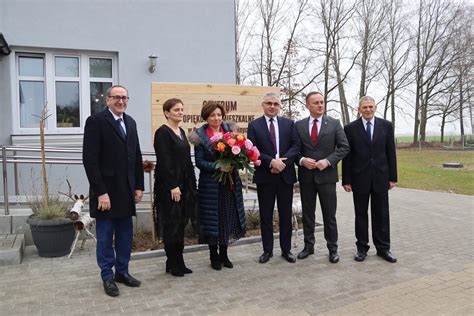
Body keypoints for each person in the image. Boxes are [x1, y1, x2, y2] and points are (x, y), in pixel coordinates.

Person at [83, 85, 144, 297]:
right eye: (116, 97)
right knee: (106, 237)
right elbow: (90, 160)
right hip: (106, 194)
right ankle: (107, 277)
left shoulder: (131, 122)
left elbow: (136, 157)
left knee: (125, 237)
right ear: (107, 100)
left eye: (125, 98)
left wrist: (139, 186)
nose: (121, 101)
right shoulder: (96, 122)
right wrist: (100, 192)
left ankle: (123, 272)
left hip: (126, 192)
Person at [189, 102, 246, 271]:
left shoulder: (230, 132)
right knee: (213, 221)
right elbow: (199, 162)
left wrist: (236, 162)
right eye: (213, 115)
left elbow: (239, 154)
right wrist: (218, 166)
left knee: (226, 218)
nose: (216, 118)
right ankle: (213, 255)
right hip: (211, 186)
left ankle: (224, 254)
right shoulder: (200, 136)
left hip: (229, 185)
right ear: (206, 117)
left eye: (219, 115)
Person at [342, 96, 398, 263]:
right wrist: (346, 179)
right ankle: (362, 248)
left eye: (370, 107)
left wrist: (393, 177)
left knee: (381, 214)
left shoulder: (386, 126)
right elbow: (348, 156)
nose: (368, 110)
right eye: (364, 107)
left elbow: (390, 152)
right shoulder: (350, 128)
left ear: (375, 107)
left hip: (381, 177)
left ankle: (383, 248)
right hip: (359, 178)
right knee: (361, 215)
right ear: (359, 109)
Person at [295, 92, 349, 263]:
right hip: (306, 178)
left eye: (322, 102)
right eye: (316, 103)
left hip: (326, 177)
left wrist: (328, 161)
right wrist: (302, 160)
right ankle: (308, 246)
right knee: (308, 215)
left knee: (329, 215)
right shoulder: (298, 125)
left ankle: (333, 248)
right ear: (308, 106)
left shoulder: (334, 123)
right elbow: (293, 150)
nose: (320, 105)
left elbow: (344, 147)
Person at [247, 92, 301, 264]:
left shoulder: (289, 124)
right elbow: (252, 150)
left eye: (276, 104)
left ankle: (286, 250)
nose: (272, 106)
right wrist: (271, 162)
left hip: (285, 175)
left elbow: (296, 145)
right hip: (265, 175)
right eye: (269, 103)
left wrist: (282, 162)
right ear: (263, 105)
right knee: (266, 216)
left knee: (285, 215)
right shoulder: (254, 125)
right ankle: (267, 250)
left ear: (280, 106)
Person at [153, 98, 197, 277]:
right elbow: (164, 161)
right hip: (170, 187)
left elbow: (185, 160)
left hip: (185, 185)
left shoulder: (181, 131)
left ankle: (177, 260)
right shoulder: (162, 133)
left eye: (182, 109)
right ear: (166, 113)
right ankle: (173, 262)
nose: (180, 112)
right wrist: (173, 186)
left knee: (180, 224)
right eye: (176, 109)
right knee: (172, 225)